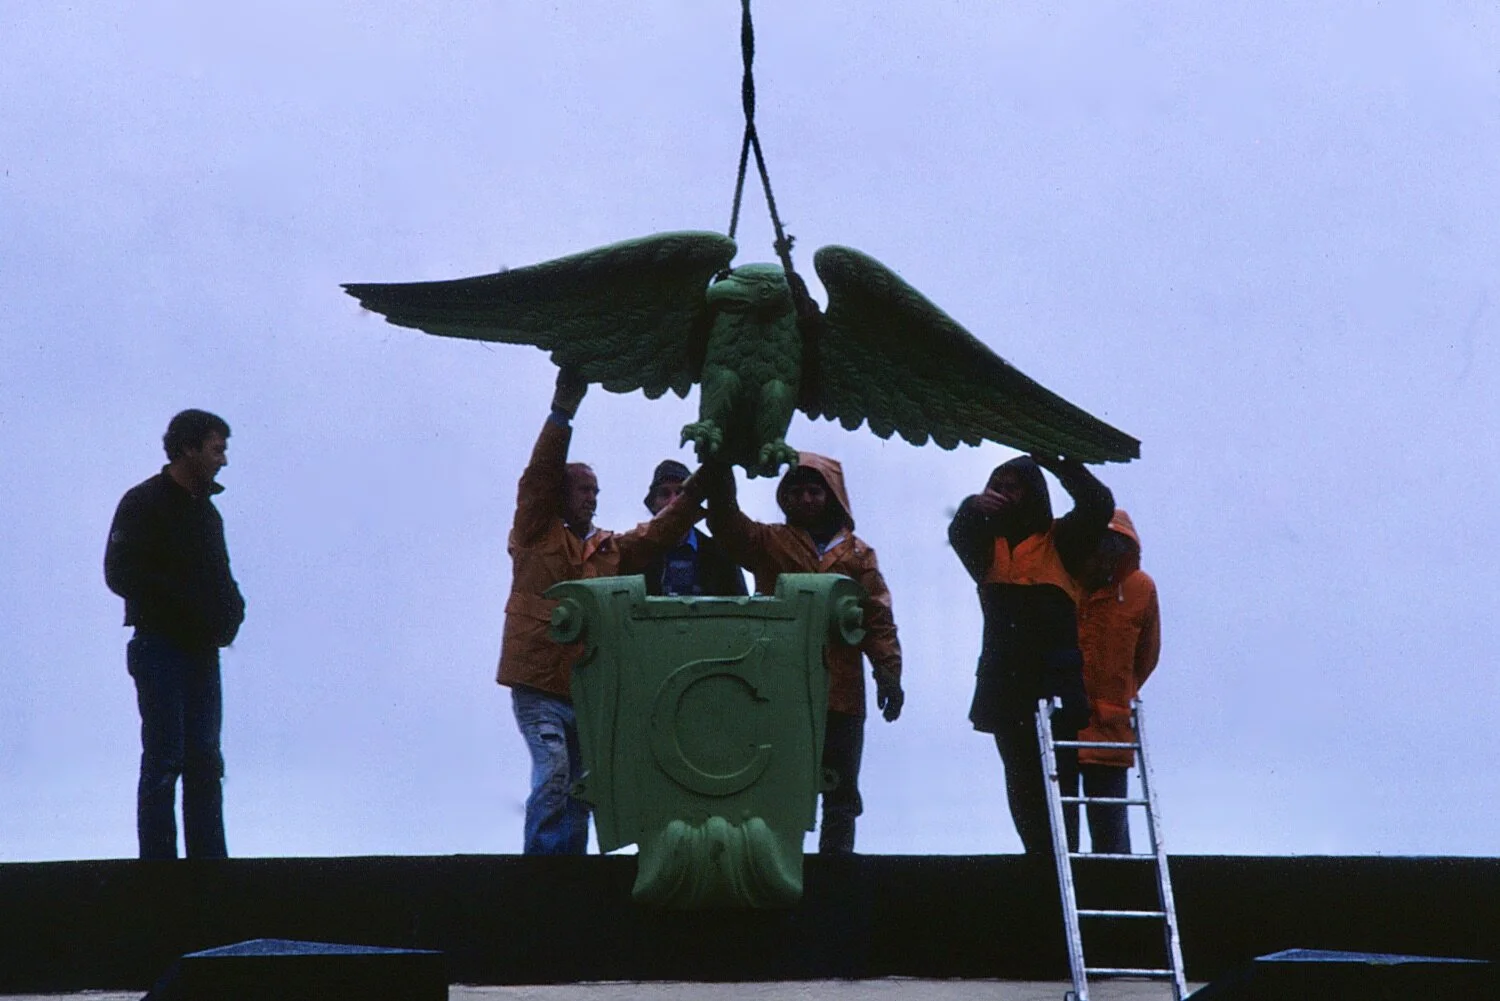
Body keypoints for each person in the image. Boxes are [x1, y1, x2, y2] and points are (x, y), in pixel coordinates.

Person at [499, 368, 709, 855]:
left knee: (582, 784)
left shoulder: (610, 549)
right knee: (554, 771)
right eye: (583, 490)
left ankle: (569, 870)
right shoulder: (535, 532)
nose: (592, 498)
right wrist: (562, 413)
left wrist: (704, 481)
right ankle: (538, 869)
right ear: (561, 494)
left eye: (596, 491)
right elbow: (538, 476)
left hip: (587, 685)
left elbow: (658, 532)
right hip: (537, 680)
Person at [705, 454, 904, 854]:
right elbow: (727, 525)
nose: (806, 499)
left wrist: (888, 672)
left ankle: (836, 867)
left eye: (815, 491)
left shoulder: (858, 554)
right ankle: (780, 865)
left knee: (841, 789)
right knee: (780, 785)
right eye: (796, 492)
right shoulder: (769, 541)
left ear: (833, 496)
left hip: (842, 690)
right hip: (781, 687)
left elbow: (877, 617)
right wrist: (720, 467)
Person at [947, 453, 1113, 855]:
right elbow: (959, 533)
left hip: (1054, 681)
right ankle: (1036, 859)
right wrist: (972, 506)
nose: (1004, 494)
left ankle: (1065, 857)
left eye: (1014, 487)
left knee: (1060, 774)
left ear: (1034, 492)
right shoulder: (987, 548)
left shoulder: (1063, 541)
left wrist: (1058, 462)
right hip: (1004, 682)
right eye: (997, 487)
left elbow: (1098, 505)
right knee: (1020, 779)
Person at [104, 409, 245, 859]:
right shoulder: (143, 502)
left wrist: (232, 612)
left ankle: (209, 867)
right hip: (159, 645)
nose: (223, 460)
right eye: (216, 449)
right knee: (165, 757)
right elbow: (120, 572)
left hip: (201, 650)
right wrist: (185, 604)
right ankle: (159, 871)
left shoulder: (207, 515)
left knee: (205, 759)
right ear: (188, 447)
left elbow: (221, 576)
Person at [1069, 509, 1161, 854]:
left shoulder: (1141, 588)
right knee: (1060, 830)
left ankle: (1115, 885)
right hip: (1063, 722)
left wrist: (1121, 692)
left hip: (1109, 725)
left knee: (1111, 830)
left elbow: (1148, 655)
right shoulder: (1064, 579)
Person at [639, 460, 748, 597]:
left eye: (680, 494)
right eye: (665, 494)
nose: (673, 502)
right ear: (653, 505)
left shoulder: (720, 555)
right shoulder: (638, 554)